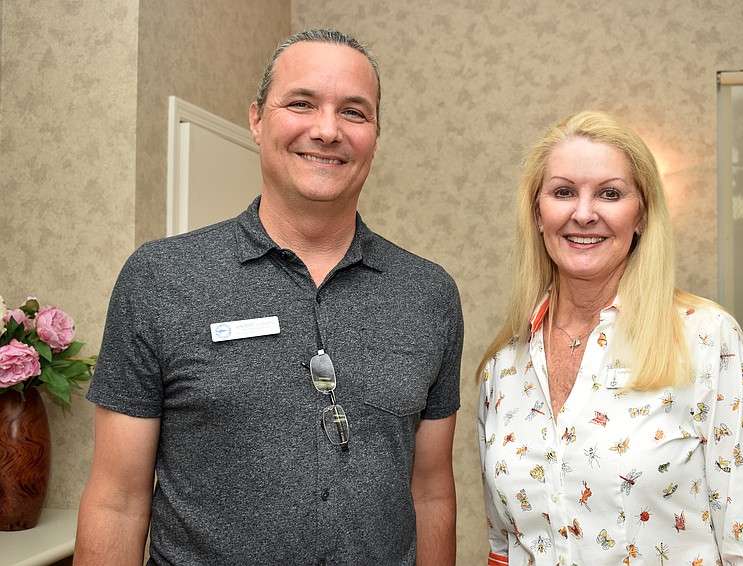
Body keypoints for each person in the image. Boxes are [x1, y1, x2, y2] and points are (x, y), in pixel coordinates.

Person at [76, 28, 462, 566]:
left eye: (354, 112)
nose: (327, 130)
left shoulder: (429, 295)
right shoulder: (159, 278)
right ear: (257, 119)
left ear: (376, 132)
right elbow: (117, 502)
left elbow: (431, 493)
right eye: (301, 103)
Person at [477, 110, 743, 565]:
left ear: (642, 214)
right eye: (563, 192)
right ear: (537, 213)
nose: (584, 213)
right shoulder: (505, 366)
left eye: (610, 193)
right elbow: (504, 547)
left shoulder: (705, 339)